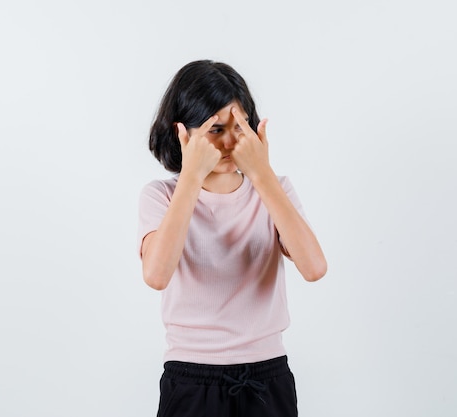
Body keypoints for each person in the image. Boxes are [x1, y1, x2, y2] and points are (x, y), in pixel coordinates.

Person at [137, 60, 327, 417]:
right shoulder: (160, 195)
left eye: (238, 127)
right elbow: (156, 275)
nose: (227, 142)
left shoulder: (275, 190)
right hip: (191, 379)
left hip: (267, 376)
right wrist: (192, 176)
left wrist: (261, 173)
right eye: (214, 129)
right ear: (184, 132)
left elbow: (315, 267)